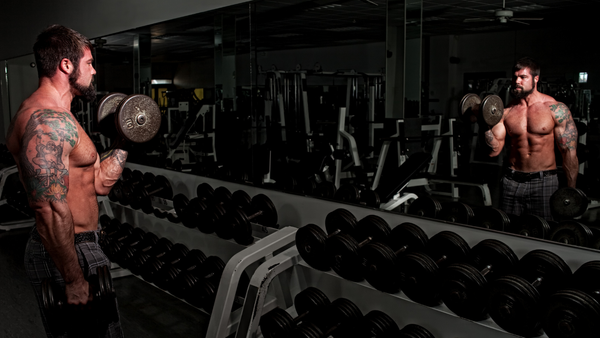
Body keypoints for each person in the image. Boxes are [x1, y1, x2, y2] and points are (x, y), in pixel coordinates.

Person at [6, 25, 126, 337]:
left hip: (82, 247)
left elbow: (99, 184)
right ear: (66, 65)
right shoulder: (47, 121)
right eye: (89, 63)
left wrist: (126, 138)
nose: (95, 71)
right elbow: (47, 207)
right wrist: (73, 279)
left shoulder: (63, 116)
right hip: (67, 251)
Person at [485, 57, 578, 220]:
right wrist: (485, 123)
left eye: (523, 77)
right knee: (509, 229)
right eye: (515, 77)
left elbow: (568, 152)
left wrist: (570, 193)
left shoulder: (555, 109)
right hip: (511, 181)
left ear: (536, 79)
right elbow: (494, 150)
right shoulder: (507, 111)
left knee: (542, 232)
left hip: (543, 182)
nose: (516, 81)